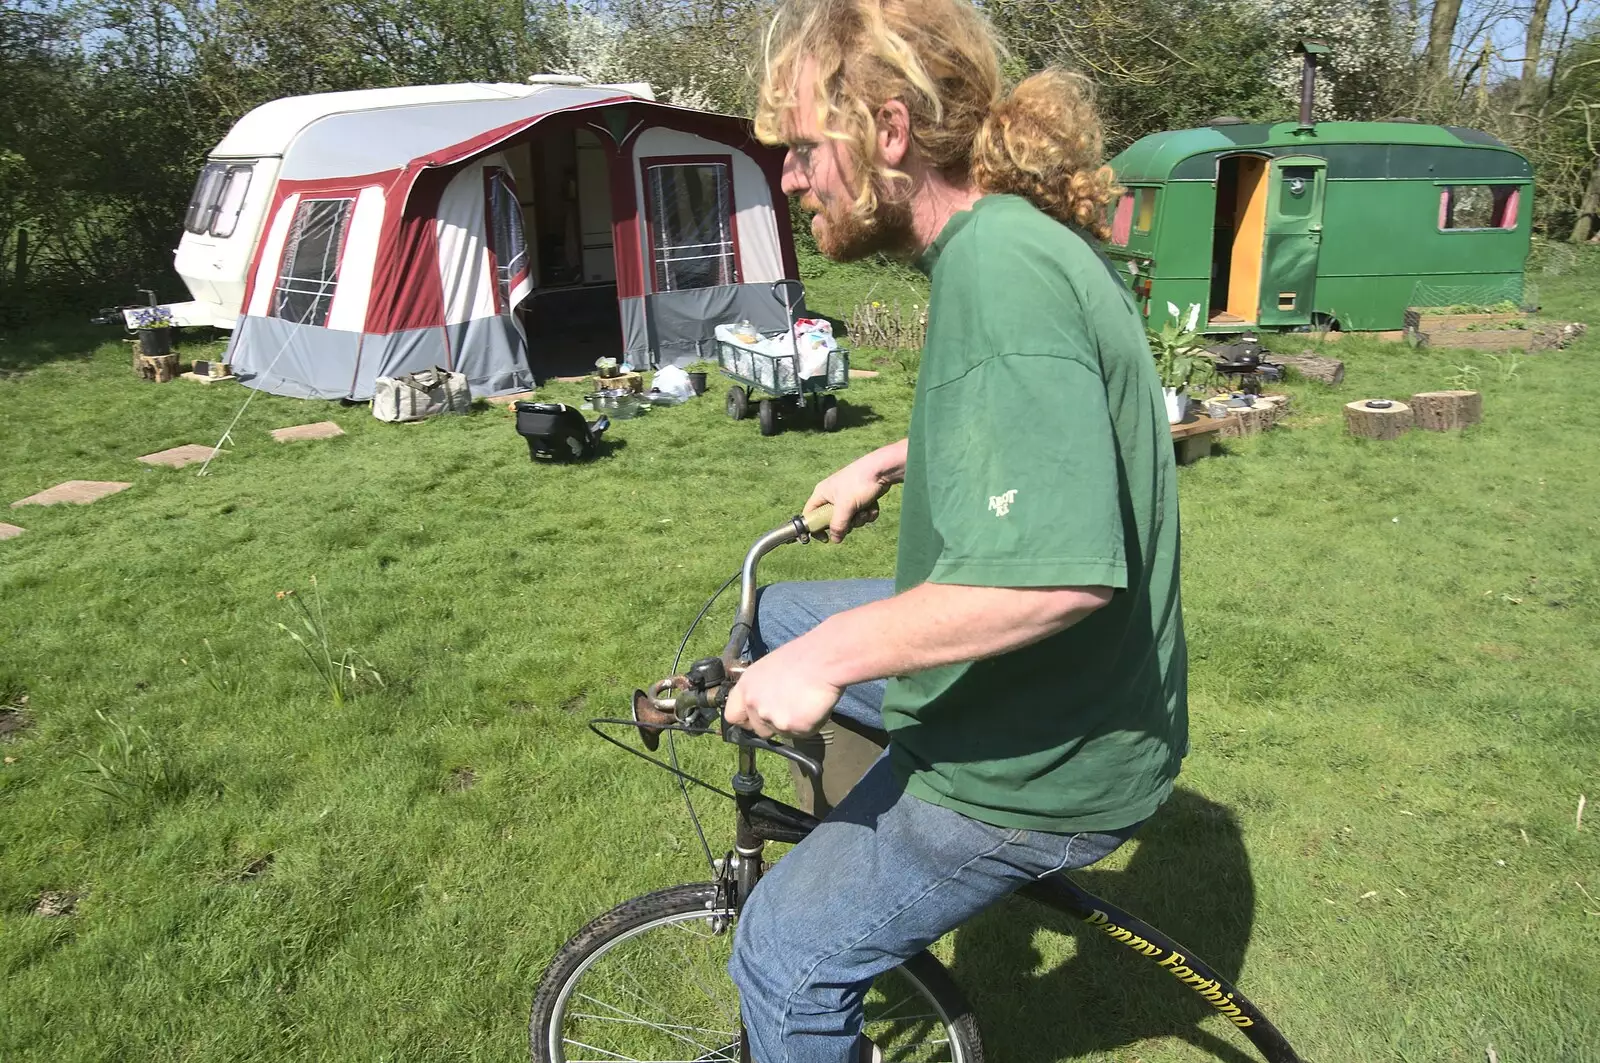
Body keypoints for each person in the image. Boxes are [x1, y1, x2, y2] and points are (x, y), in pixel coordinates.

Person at [721, 0, 1189, 1059]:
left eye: (803, 150)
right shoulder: (1013, 242)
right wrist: (888, 458)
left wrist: (831, 662)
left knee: (783, 952)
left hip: (1051, 758)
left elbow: (1056, 580)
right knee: (777, 613)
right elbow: (1061, 424)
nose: (792, 180)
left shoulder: (999, 272)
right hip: (1087, 691)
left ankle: (851, 889)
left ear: (887, 132)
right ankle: (853, 841)